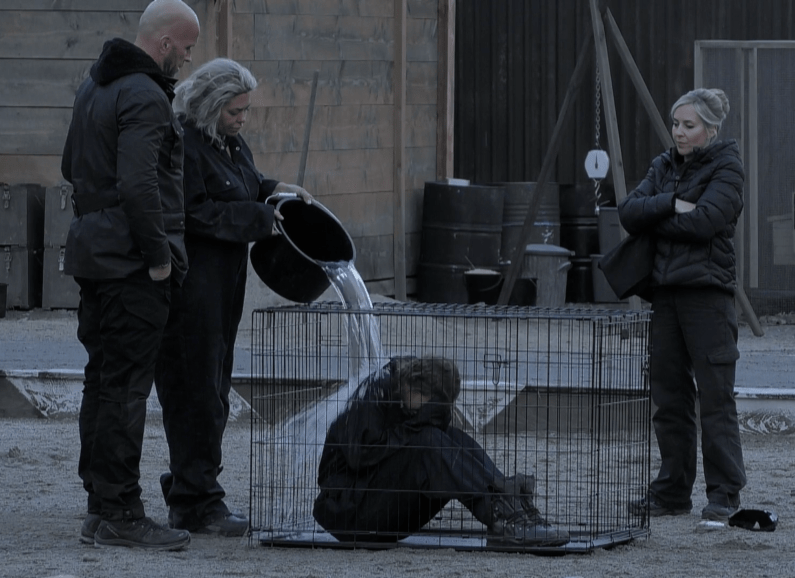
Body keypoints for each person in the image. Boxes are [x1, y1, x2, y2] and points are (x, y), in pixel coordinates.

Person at [60, 0, 200, 550]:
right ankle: (120, 511)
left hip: (94, 251)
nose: (187, 60)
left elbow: (72, 164)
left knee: (103, 379)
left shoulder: (93, 85)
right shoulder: (143, 93)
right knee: (126, 389)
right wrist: (160, 256)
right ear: (164, 43)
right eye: (186, 49)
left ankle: (101, 504)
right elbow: (141, 185)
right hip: (131, 261)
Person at [154, 58, 313, 537]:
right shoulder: (183, 142)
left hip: (224, 286)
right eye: (235, 111)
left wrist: (273, 189)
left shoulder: (226, 142)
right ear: (210, 105)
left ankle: (191, 484)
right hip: (192, 285)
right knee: (196, 390)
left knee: (215, 387)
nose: (243, 118)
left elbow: (243, 183)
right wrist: (257, 218)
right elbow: (195, 210)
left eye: (245, 110)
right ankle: (197, 501)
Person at [617, 88, 747, 522]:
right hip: (665, 295)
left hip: (708, 296)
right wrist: (671, 203)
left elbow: (707, 221)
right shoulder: (663, 165)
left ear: (710, 129)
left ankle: (725, 493)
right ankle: (672, 492)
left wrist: (657, 219)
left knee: (715, 398)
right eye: (676, 124)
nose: (679, 132)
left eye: (689, 126)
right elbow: (629, 212)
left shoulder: (728, 165)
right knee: (669, 399)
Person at [313, 356, 570, 547]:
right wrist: (415, 426)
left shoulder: (406, 392)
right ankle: (501, 516)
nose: (422, 412)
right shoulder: (375, 392)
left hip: (378, 504)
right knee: (428, 440)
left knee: (452, 437)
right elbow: (362, 456)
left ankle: (508, 506)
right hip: (347, 512)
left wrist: (422, 423)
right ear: (416, 389)